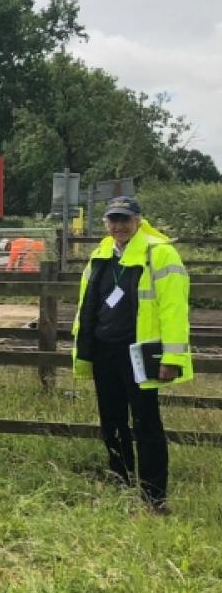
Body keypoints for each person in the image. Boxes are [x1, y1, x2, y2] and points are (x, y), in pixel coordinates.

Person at [72, 196, 191, 513]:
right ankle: (120, 481)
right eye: (113, 219)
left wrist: (172, 358)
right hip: (104, 351)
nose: (119, 226)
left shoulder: (160, 253)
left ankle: (154, 497)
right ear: (106, 223)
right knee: (111, 420)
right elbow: (88, 304)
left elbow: (174, 310)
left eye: (125, 219)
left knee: (146, 423)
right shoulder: (100, 254)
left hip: (140, 352)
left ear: (139, 220)